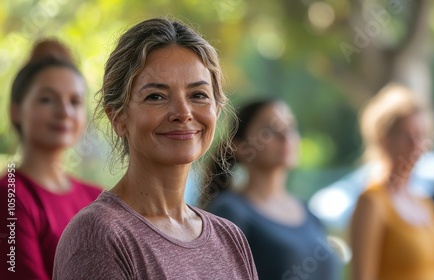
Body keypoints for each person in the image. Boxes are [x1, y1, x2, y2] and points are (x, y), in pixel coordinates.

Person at [52, 17, 258, 279]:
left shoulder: (230, 238)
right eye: (156, 97)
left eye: (198, 95)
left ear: (216, 109)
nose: (183, 113)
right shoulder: (99, 235)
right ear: (118, 118)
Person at [202, 99, 341, 280]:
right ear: (240, 146)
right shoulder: (230, 211)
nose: (285, 136)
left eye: (291, 127)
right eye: (271, 130)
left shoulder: (309, 213)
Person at [0, 39, 102, 280]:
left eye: (75, 102)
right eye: (47, 99)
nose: (64, 112)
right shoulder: (9, 196)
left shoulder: (97, 198)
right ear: (16, 110)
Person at [349, 84, 434, 280]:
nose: (416, 146)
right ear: (384, 139)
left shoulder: (424, 202)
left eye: (421, 136)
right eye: (407, 136)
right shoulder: (372, 202)